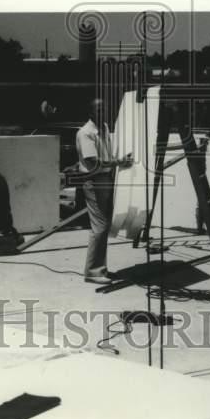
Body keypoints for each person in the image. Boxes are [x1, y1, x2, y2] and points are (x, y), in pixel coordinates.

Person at [75, 98, 132, 283]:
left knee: (104, 225)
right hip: (94, 180)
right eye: (99, 110)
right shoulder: (86, 133)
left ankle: (100, 269)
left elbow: (106, 155)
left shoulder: (104, 128)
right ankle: (92, 271)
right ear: (91, 113)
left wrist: (118, 160)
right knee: (99, 226)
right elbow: (92, 161)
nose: (103, 113)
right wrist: (118, 162)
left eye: (104, 109)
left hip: (105, 179)